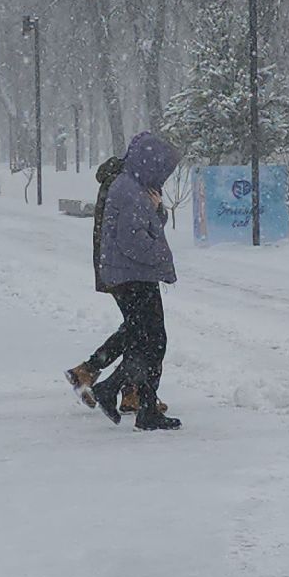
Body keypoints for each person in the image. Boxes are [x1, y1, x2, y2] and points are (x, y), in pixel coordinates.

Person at [76, 131, 182, 431]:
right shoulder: (128, 189)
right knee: (152, 341)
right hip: (133, 276)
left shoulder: (136, 187)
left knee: (144, 341)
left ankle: (124, 395)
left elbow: (150, 224)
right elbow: (132, 240)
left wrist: (156, 207)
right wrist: (161, 257)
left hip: (133, 274)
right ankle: (133, 400)